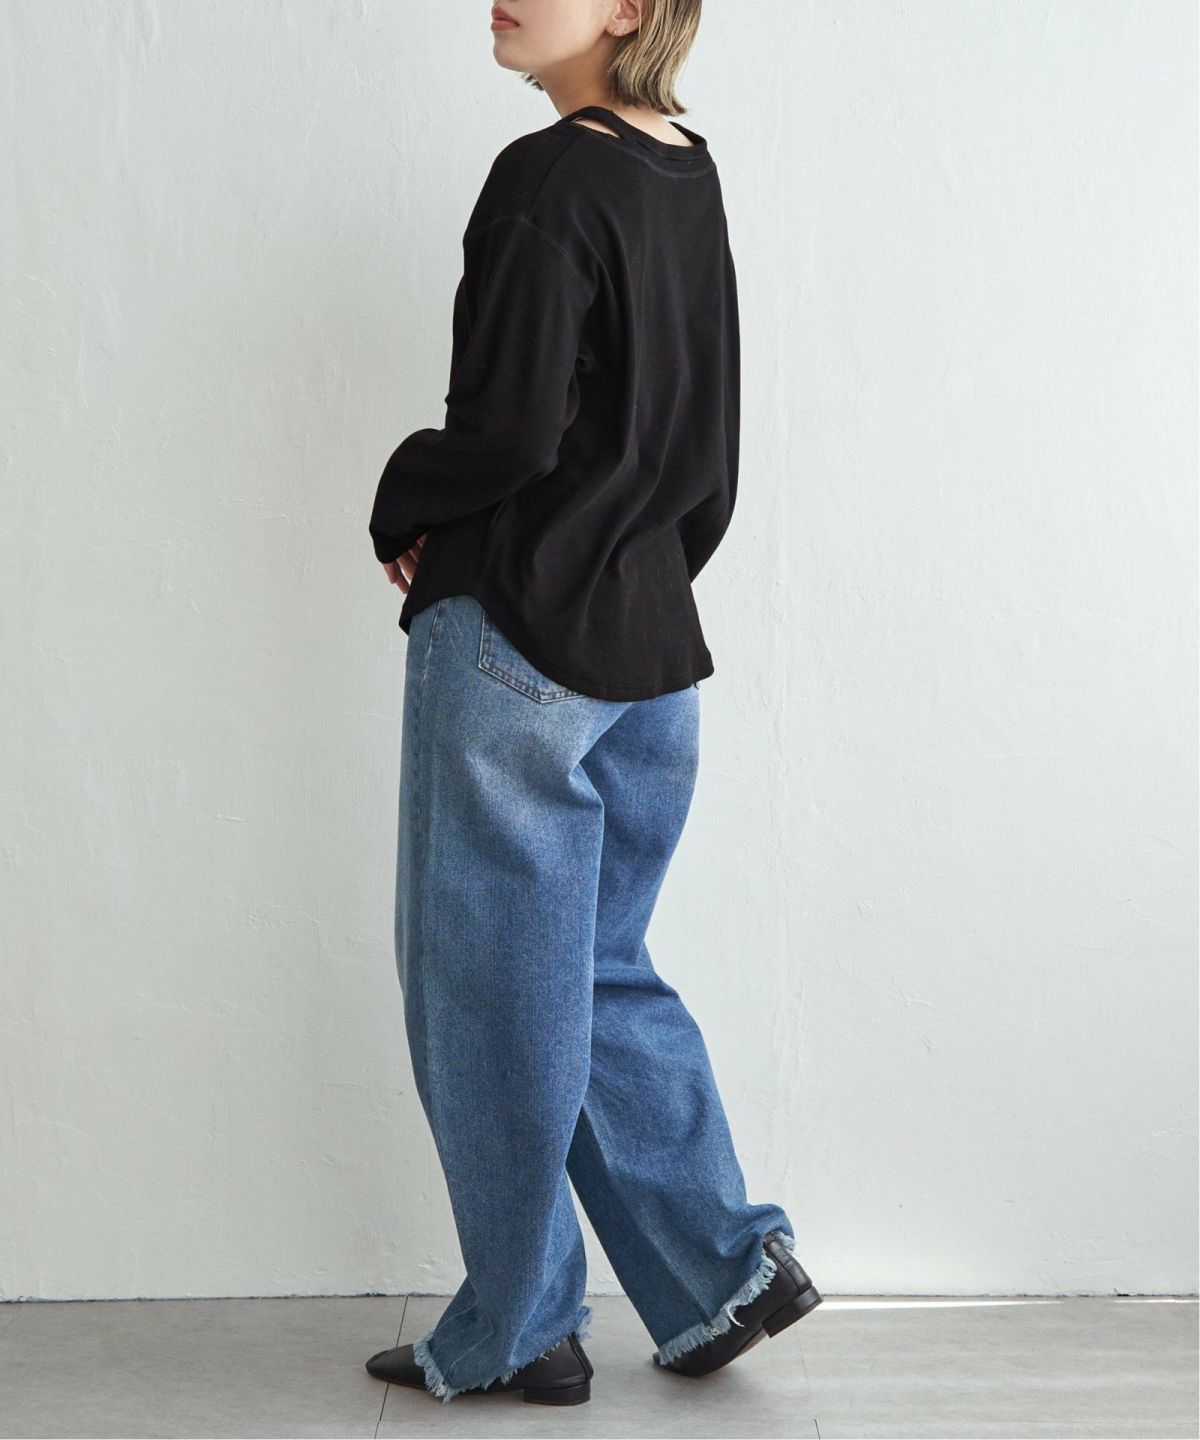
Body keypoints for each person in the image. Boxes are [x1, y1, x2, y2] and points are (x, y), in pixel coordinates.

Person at [363, 0, 821, 1408]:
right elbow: (710, 455)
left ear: (631, 6)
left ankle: (518, 1327)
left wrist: (402, 498)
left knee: (489, 992)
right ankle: (721, 1271)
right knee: (599, 969)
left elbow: (506, 432)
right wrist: (638, 570)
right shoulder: (687, 168)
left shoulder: (548, 175)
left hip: (518, 635)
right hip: (649, 642)